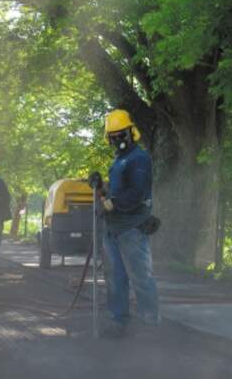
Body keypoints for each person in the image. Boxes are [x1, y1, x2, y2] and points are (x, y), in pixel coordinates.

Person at [98, 109, 160, 337]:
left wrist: (109, 205)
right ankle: (118, 320)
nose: (118, 140)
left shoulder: (139, 158)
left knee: (141, 276)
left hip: (132, 228)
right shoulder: (119, 160)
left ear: (131, 132)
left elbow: (136, 193)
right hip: (113, 228)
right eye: (113, 136)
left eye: (121, 134)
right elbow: (116, 192)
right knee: (114, 276)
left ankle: (150, 322)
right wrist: (100, 187)